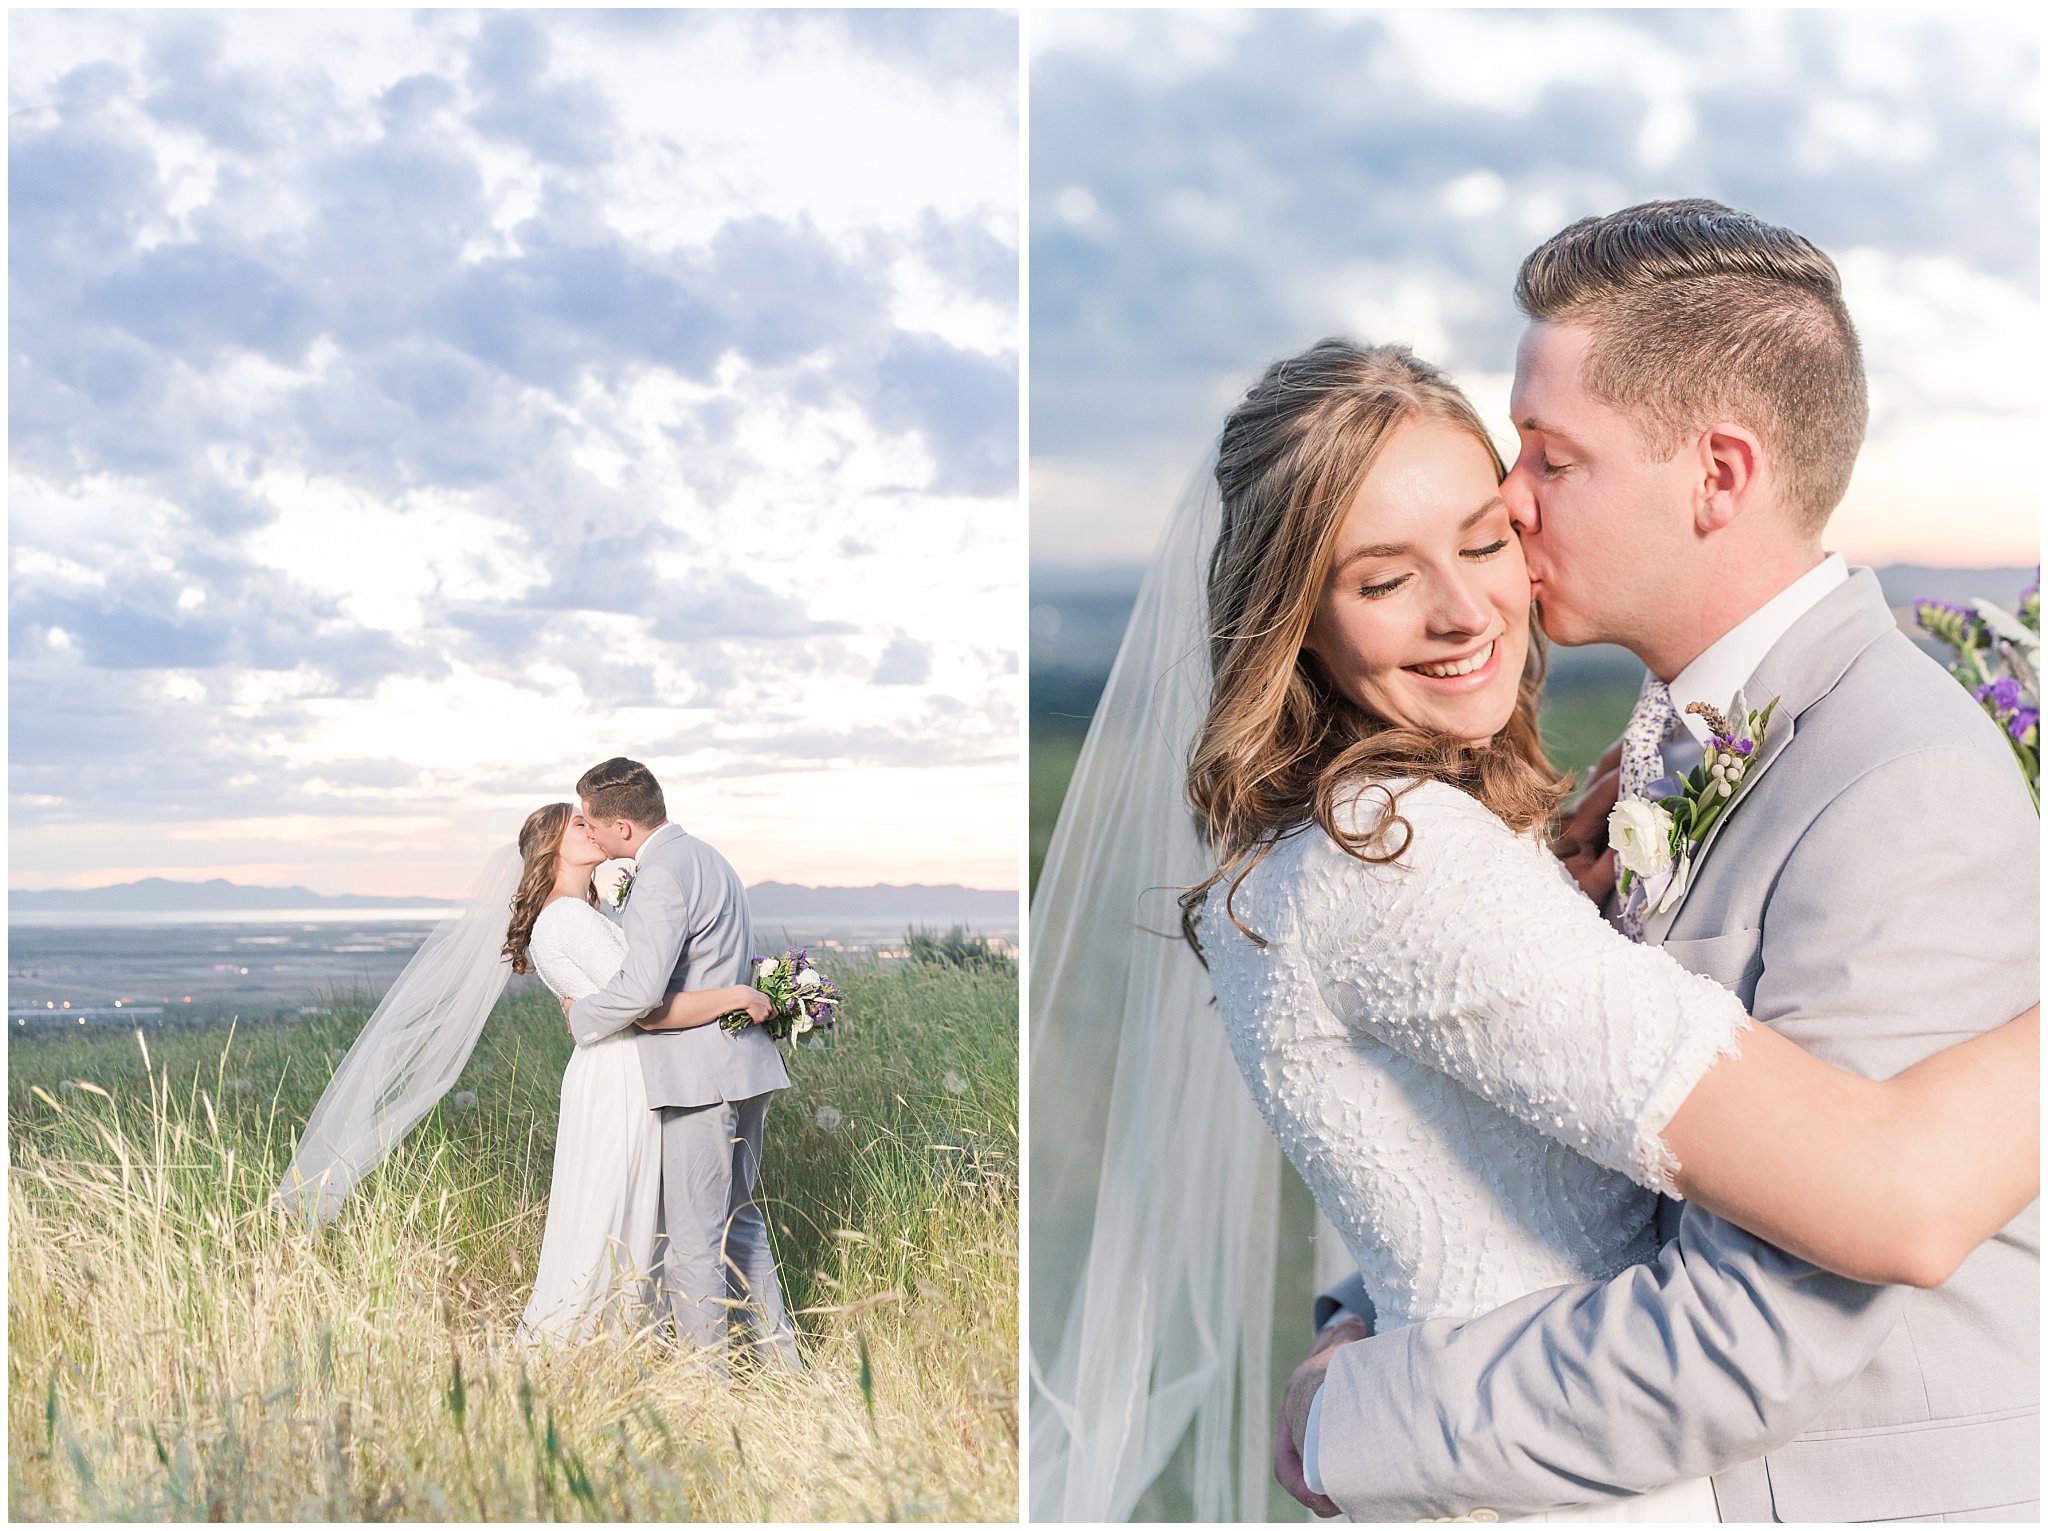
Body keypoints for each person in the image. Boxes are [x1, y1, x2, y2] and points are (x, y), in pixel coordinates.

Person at [563, 756, 799, 1369]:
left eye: (590, 822)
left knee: (693, 1244)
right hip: (744, 1066)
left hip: (699, 1080)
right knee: (742, 1227)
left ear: (620, 827)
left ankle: (707, 1387)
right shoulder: (709, 857)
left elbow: (643, 998)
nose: (587, 832)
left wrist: (583, 1016)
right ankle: (786, 1372)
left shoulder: (661, 874)